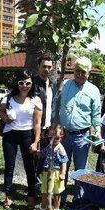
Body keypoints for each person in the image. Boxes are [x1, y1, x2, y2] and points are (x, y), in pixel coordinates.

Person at [56, 57, 101, 202]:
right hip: (64, 135)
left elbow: (96, 113)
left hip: (82, 136)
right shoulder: (65, 85)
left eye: (83, 72)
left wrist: (98, 130)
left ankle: (79, 199)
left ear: (88, 74)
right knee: (62, 166)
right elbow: (57, 106)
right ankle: (60, 198)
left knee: (81, 170)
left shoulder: (93, 90)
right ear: (74, 71)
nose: (80, 74)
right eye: (77, 71)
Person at [0, 70, 42, 209]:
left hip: (26, 134)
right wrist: (5, 118)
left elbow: (37, 123)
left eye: (28, 83)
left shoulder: (36, 100)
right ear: (17, 84)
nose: (24, 86)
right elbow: (0, 111)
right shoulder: (8, 97)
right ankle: (8, 197)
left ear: (32, 83)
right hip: (10, 134)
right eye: (21, 83)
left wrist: (35, 142)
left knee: (29, 166)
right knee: (9, 166)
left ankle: (31, 197)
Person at [33, 52, 58, 189]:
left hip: (48, 128)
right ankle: (32, 188)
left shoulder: (53, 85)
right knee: (33, 158)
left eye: (49, 67)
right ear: (38, 66)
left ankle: (39, 187)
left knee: (44, 158)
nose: (47, 69)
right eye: (44, 66)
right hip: (34, 127)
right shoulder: (32, 83)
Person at [33, 127, 68, 210]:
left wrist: (63, 173)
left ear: (61, 137)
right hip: (46, 172)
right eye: (50, 138)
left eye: (56, 138)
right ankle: (43, 206)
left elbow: (64, 162)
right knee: (44, 190)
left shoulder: (60, 148)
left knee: (56, 192)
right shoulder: (49, 146)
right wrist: (36, 152)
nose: (53, 140)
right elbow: (42, 153)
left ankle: (56, 209)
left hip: (55, 173)